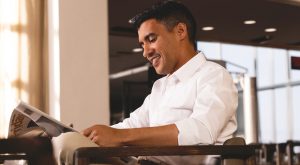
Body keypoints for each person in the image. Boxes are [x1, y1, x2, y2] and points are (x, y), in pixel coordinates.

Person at [52, 1, 238, 165]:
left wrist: (120, 137)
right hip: (142, 162)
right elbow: (131, 125)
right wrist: (80, 134)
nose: (145, 52)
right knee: (66, 142)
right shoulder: (160, 87)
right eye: (143, 44)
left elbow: (202, 132)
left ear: (180, 32)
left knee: (69, 147)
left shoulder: (214, 76)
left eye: (151, 40)